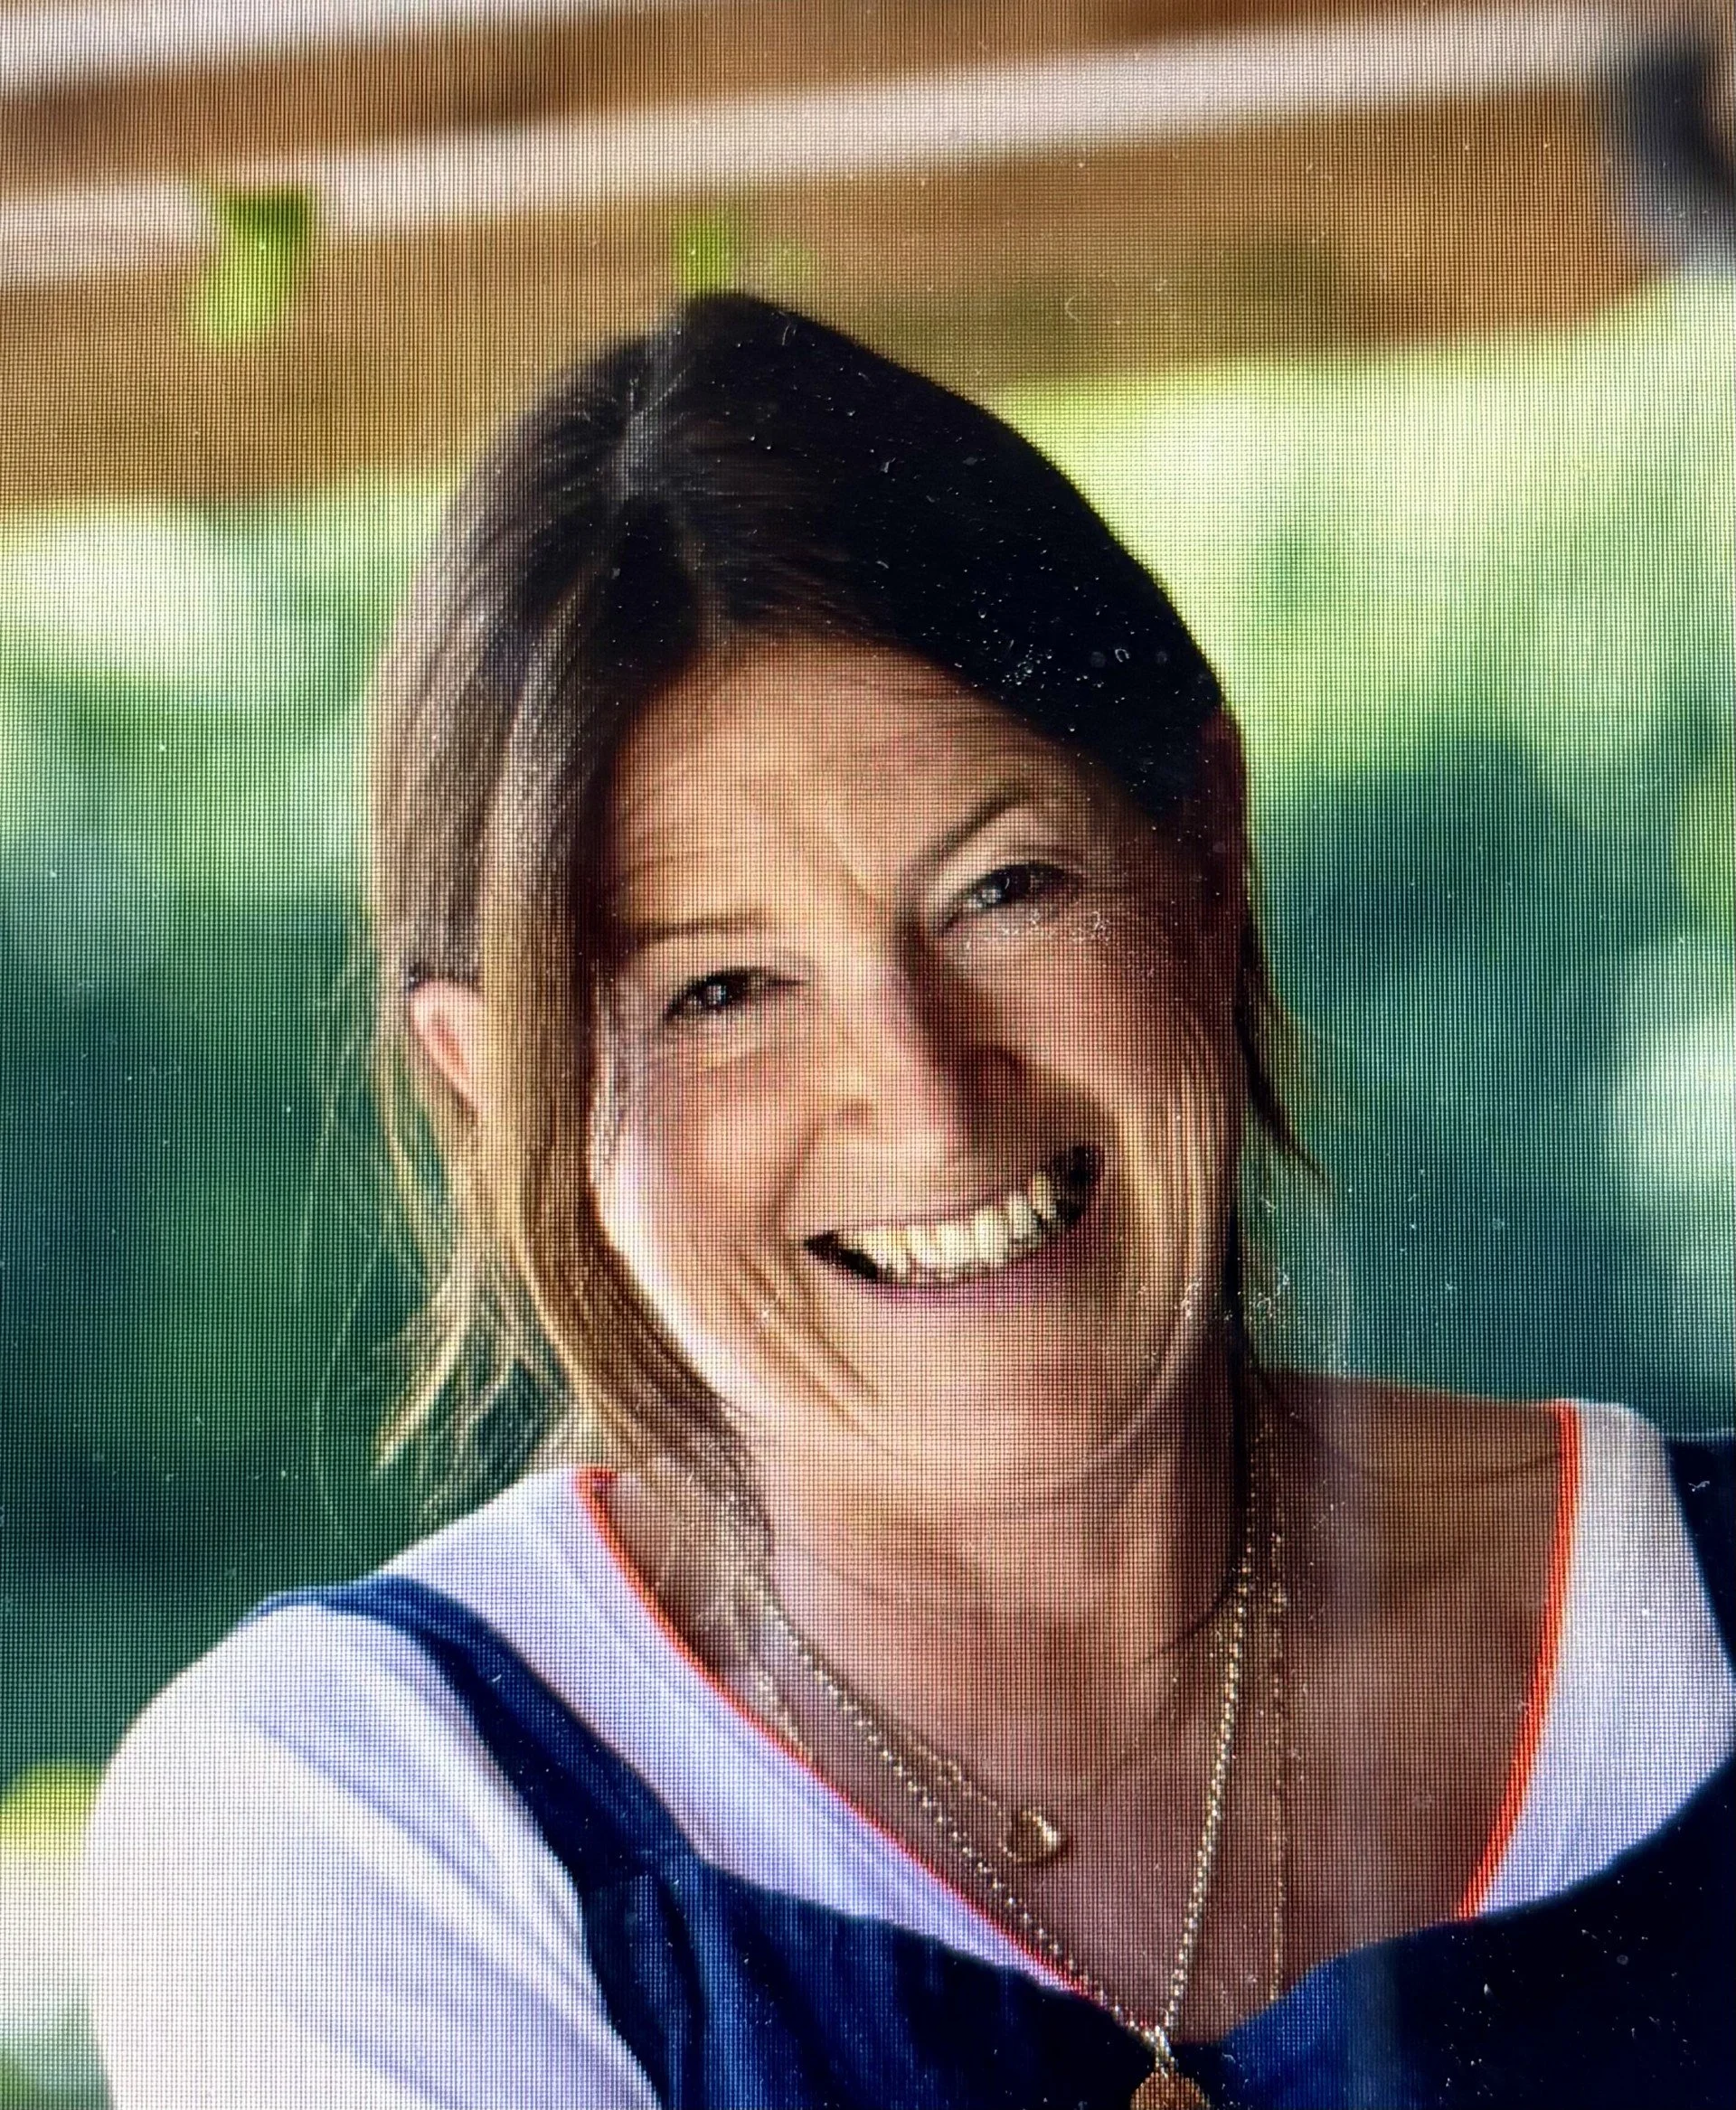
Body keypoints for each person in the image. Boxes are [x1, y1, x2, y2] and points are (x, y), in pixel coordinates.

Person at [83, 295, 1734, 2110]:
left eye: (1003, 891)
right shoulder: (364, 1818)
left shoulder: (1693, 1618)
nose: (933, 1108)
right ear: (498, 1090)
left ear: (1203, 852)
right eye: (720, 992)